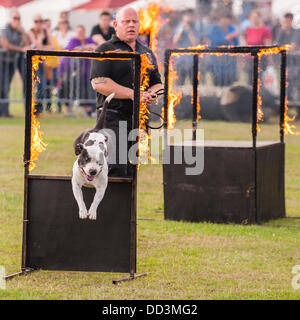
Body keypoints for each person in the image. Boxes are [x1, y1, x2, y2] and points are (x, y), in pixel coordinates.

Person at [90, 7, 162, 177]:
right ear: (116, 24)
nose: (131, 25)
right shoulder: (105, 48)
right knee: (115, 168)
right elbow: (98, 82)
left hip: (137, 119)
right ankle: (109, 204)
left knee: (131, 171)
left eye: (134, 21)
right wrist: (134, 94)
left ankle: (127, 204)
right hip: (111, 117)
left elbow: (158, 84)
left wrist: (150, 94)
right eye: (126, 21)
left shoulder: (146, 52)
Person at [58, 25, 97, 117]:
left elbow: (96, 48)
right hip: (72, 72)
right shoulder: (73, 40)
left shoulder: (89, 40)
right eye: (79, 32)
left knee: (87, 90)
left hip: (87, 71)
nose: (81, 33)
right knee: (69, 88)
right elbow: (73, 50)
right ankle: (69, 110)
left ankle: (88, 111)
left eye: (82, 31)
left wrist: (85, 47)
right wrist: (86, 47)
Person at [0, 9, 29, 117]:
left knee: (6, 87)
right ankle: (3, 112)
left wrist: (22, 32)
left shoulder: (19, 31)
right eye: (14, 18)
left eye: (18, 18)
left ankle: (4, 112)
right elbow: (5, 45)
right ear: (10, 18)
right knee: (2, 86)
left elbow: (26, 43)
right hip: (1, 61)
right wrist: (20, 49)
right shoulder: (4, 28)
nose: (16, 20)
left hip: (11, 62)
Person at [27, 14, 54, 116]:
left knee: (41, 84)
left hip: (41, 62)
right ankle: (31, 109)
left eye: (40, 21)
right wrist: (41, 38)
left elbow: (52, 46)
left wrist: (42, 43)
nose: (38, 24)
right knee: (31, 86)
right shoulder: (30, 32)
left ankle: (38, 109)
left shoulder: (46, 32)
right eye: (36, 21)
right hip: (31, 62)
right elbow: (37, 45)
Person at [207, 14, 239, 87]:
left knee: (229, 85)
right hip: (217, 62)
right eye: (223, 19)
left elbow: (236, 43)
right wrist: (228, 37)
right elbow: (214, 40)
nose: (225, 21)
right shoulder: (214, 28)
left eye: (227, 19)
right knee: (217, 85)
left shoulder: (232, 28)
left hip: (230, 63)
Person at [172, 10, 199, 85]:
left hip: (192, 61)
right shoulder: (178, 27)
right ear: (183, 17)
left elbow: (195, 43)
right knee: (179, 85)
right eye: (186, 16)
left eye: (190, 16)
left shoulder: (195, 29)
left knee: (194, 85)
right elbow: (175, 41)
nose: (188, 18)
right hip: (180, 61)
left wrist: (189, 30)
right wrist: (181, 29)